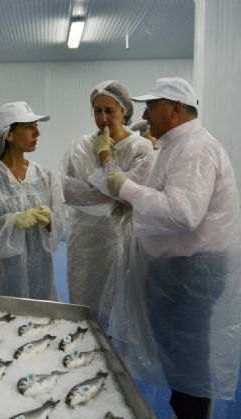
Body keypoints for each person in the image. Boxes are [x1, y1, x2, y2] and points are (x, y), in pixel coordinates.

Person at [106, 77, 241, 418]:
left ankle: (192, 413)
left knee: (188, 356)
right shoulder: (175, 146)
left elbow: (183, 215)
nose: (146, 114)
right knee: (180, 354)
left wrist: (127, 189)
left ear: (176, 109)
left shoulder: (195, 149)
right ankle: (186, 407)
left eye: (153, 106)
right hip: (179, 270)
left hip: (192, 271)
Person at [60, 80, 154, 328]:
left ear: (124, 111)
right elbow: (67, 190)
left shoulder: (141, 148)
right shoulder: (79, 147)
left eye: (110, 111)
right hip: (84, 242)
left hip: (120, 241)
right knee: (83, 307)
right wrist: (113, 194)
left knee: (118, 309)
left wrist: (105, 160)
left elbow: (130, 194)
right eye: (97, 111)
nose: (103, 118)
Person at [0, 101, 64, 300]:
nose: (37, 133)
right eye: (30, 127)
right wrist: (12, 221)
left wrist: (50, 222)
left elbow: (59, 231)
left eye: (37, 127)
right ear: (9, 135)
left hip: (39, 276)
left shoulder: (45, 177)